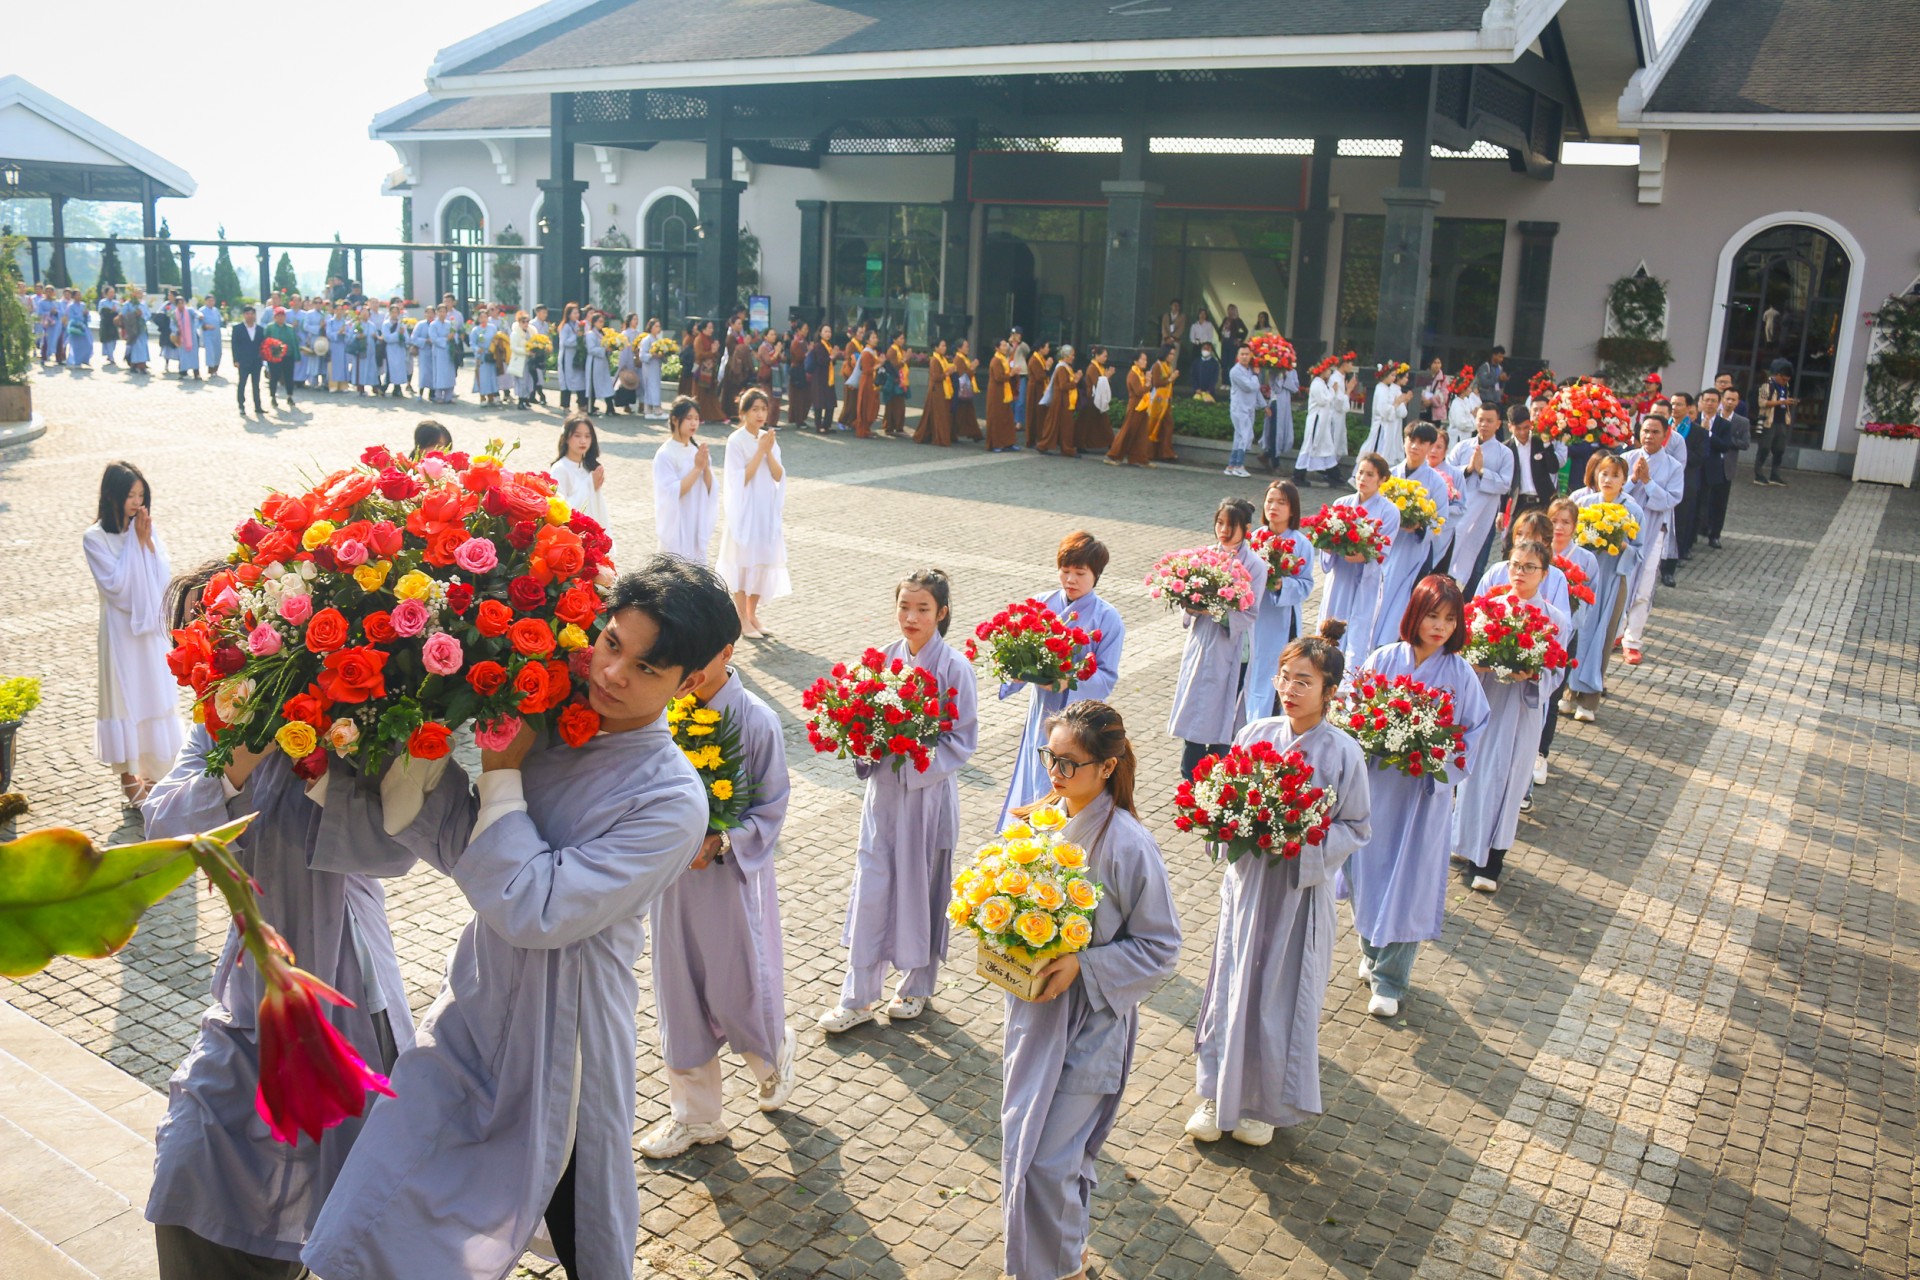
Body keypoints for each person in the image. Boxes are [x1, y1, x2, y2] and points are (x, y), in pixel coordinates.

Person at [304, 557, 736, 1280]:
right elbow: (468, 850)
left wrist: (502, 774)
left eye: (647, 668)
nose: (614, 674)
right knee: (376, 1195)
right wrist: (366, 760)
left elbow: (535, 908)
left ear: (689, 681)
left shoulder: (671, 802)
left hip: (562, 1039)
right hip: (476, 1004)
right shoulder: (553, 724)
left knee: (578, 1229)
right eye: (610, 643)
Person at [141, 564, 469, 1280]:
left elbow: (393, 853)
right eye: (205, 636)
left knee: (352, 1203)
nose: (223, 651)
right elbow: (160, 827)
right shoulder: (213, 738)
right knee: (191, 1166)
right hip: (250, 993)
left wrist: (321, 762)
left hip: (349, 985)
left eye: (230, 629)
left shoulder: (345, 729)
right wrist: (249, 746)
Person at [997, 702, 1180, 1280]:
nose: (1055, 772)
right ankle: (1047, 1263)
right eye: (1049, 758)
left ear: (1106, 767)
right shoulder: (1036, 821)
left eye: (1069, 763)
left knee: (1050, 1161)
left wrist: (1084, 965)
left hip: (1092, 1026)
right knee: (1025, 1148)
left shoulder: (1129, 843)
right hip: (1033, 1016)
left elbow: (1162, 947)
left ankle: (1058, 1269)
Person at [1188, 620, 1371, 1146]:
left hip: (1297, 895)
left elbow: (1357, 825)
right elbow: (1221, 799)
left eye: (1304, 682)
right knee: (1231, 985)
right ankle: (1216, 1093)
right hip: (1247, 889)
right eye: (1285, 678)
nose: (1290, 690)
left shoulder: (1342, 753)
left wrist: (1300, 844)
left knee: (1278, 995)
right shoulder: (1253, 734)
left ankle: (1264, 1104)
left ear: (1329, 691)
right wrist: (1228, 828)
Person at [640, 629, 798, 1159]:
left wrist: (724, 840)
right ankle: (696, 1116)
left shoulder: (756, 720)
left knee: (738, 985)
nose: (687, 675)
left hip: (731, 878)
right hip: (673, 876)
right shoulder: (669, 709)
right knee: (677, 990)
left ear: (727, 652)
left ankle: (772, 1056)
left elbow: (772, 806)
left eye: (699, 660)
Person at [818, 570, 979, 1033]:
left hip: (927, 799)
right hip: (883, 797)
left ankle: (916, 986)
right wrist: (865, 740)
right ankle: (858, 996)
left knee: (924, 887)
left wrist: (912, 757)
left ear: (942, 613)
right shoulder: (882, 661)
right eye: (904, 607)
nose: (911, 617)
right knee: (872, 886)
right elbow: (860, 725)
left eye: (922, 609)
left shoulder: (955, 668)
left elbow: (961, 740)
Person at [1340, 576, 1490, 1017]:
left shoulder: (1461, 674)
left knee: (1408, 882)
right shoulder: (1385, 659)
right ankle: (1371, 950)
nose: (1440, 626)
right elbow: (1352, 711)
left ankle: (1391, 979)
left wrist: (1438, 759)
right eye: (1432, 615)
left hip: (1424, 796)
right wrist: (1373, 738)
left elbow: (1473, 732)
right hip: (1377, 787)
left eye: (1449, 618)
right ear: (1414, 614)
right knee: (1366, 872)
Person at [1454, 542, 1568, 893]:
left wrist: (1533, 675)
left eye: (1529, 567)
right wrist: (1477, 664)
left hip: (1522, 710)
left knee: (1509, 781)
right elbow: (1465, 659)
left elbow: (1557, 671)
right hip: (1488, 702)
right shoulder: (1489, 609)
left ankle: (1490, 862)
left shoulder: (1555, 619)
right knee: (1477, 778)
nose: (1520, 572)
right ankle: (1466, 843)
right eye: (1515, 565)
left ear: (1544, 574)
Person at [995, 532, 1126, 828]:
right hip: (1041, 711)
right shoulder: (1042, 604)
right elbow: (1017, 652)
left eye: (1080, 573)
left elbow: (1106, 676)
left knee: (1062, 773)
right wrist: (1017, 671)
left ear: (1096, 575)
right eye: (1065, 571)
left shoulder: (1108, 618)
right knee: (1034, 769)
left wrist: (1068, 682)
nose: (1071, 579)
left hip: (1078, 720)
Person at [83, 462, 183, 806]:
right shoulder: (94, 538)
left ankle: (156, 775)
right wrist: (137, 545)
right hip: (120, 635)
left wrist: (146, 543)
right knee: (126, 700)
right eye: (130, 495)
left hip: (149, 634)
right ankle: (130, 775)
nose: (136, 502)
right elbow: (118, 588)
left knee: (154, 693)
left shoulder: (146, 529)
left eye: (141, 495)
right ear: (113, 495)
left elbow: (162, 577)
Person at [1170, 498, 1269, 780]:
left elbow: (1251, 613)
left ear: (1247, 528)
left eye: (1232, 525)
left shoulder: (1256, 566)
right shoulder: (1202, 558)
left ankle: (1217, 778)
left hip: (1233, 648)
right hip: (1202, 644)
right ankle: (1190, 776)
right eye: (1220, 523)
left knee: (1224, 714)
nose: (1224, 530)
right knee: (1196, 708)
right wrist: (1189, 606)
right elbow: (1186, 598)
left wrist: (1217, 612)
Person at [1563, 454, 1648, 723]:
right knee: (1576, 630)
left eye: (1614, 475)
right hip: (1583, 576)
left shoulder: (1632, 510)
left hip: (1612, 578)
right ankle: (1568, 692)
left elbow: (1639, 552)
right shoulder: (1583, 503)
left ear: (1624, 480)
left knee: (1602, 635)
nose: (1608, 480)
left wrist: (1617, 542)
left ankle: (1589, 701)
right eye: (1603, 474)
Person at [1316, 453, 1400, 674]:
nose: (1362, 478)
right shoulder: (1341, 503)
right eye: (1360, 472)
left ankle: (1350, 680)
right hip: (1340, 576)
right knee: (1330, 624)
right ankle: (1322, 671)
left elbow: (1383, 551)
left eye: (1370, 474)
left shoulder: (1389, 511)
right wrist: (1327, 547)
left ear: (1382, 479)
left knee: (1358, 632)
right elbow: (1328, 538)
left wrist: (1363, 555)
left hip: (1366, 580)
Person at [1369, 424, 1450, 654]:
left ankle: (1387, 647)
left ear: (1430, 446)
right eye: (1410, 440)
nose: (1414, 446)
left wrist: (1419, 525)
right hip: (1386, 550)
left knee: (1401, 603)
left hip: (1414, 554)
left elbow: (1441, 520)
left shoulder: (1435, 482)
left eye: (1422, 442)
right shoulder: (1390, 475)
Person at [717, 389, 790, 639]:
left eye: (763, 409)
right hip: (745, 509)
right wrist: (760, 450)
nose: (760, 414)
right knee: (743, 559)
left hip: (765, 508)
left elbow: (778, 475)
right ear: (744, 412)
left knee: (763, 558)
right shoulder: (736, 441)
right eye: (755, 409)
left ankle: (752, 613)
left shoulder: (768, 438)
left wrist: (768, 450)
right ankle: (740, 617)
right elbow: (740, 478)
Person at [1534, 498, 1598, 784]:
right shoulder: (1536, 556)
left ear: (1575, 527)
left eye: (1566, 522)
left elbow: (1590, 600)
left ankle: (1541, 752)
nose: (1559, 527)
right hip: (1533, 632)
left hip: (1564, 635)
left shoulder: (1586, 559)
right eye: (1555, 521)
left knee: (1552, 694)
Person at [1243, 481, 1315, 723]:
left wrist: (1281, 584)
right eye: (1270, 501)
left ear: (1292, 509)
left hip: (1281, 620)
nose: (1273, 507)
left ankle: (1270, 722)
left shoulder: (1300, 543)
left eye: (1281, 502)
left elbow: (1305, 584)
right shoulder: (1253, 538)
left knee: (1274, 672)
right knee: (1251, 671)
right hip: (1254, 617)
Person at [1617, 414, 1684, 661]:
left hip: (1654, 532)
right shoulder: (1626, 459)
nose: (1649, 436)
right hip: (1622, 531)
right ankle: (1615, 630)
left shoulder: (1673, 467)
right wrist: (1633, 478)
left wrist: (1647, 481)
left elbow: (1670, 499)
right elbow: (1611, 491)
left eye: (1655, 432)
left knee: (1643, 588)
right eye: (1645, 431)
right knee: (1618, 582)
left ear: (1665, 434)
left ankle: (1632, 640)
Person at [1446, 405, 1516, 587]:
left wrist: (1483, 471)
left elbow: (1505, 484)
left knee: (1476, 560)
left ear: (1498, 424)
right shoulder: (1462, 447)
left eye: (1489, 421)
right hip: (1457, 511)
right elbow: (1447, 476)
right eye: (1481, 420)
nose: (1484, 424)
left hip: (1484, 514)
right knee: (1448, 550)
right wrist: (1469, 469)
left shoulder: (1505, 453)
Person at [655, 397, 719, 564]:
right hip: (676, 524)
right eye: (689, 418)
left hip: (695, 521)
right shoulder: (665, 454)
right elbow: (671, 493)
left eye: (697, 419)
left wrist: (705, 469)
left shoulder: (696, 450)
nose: (693, 423)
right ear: (675, 420)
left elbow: (710, 489)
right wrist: (697, 468)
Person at [1296, 354, 1351, 486]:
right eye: (1327, 370)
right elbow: (1323, 400)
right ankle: (1298, 475)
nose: (1330, 372)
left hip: (1323, 422)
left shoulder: (1322, 384)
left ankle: (1333, 475)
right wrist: (1333, 391)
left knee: (1328, 448)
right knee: (1309, 447)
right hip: (1316, 422)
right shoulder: (1316, 384)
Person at [550, 413, 609, 533]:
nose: (583, 441)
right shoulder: (560, 469)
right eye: (577, 436)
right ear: (566, 438)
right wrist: (589, 485)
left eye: (587, 436)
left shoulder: (589, 467)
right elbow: (561, 509)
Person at [1702, 387, 1747, 548]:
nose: (1729, 402)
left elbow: (1740, 443)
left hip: (1724, 467)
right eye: (1727, 398)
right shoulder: (1699, 419)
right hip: (1702, 465)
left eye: (1733, 400)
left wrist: (1713, 435)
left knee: (1719, 503)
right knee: (1701, 500)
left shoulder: (1739, 422)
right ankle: (1701, 530)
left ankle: (1715, 534)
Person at [1506, 401, 1562, 523]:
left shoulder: (1540, 441)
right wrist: (1501, 511)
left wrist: (1547, 445)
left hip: (1544, 500)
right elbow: (1504, 482)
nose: (1522, 433)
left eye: (1526, 428)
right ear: (1509, 427)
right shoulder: (1506, 449)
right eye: (1518, 429)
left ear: (1531, 424)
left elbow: (1553, 468)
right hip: (1519, 503)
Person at [1753, 359, 1795, 486]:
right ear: (1776, 375)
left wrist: (1787, 402)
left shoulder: (1785, 387)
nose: (1785, 382)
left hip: (1781, 421)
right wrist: (1782, 402)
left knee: (1779, 449)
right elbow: (1762, 402)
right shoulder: (1767, 385)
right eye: (1783, 379)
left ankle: (1775, 474)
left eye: (1787, 380)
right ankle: (1758, 474)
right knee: (1764, 448)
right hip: (1768, 421)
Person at [1035, 344, 1082, 457]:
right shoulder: (1061, 368)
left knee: (1062, 424)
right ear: (1065, 356)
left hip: (1063, 400)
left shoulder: (1065, 367)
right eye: (1072, 355)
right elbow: (1063, 386)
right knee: (1060, 424)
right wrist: (1075, 381)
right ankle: (1060, 448)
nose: (1073, 357)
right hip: (1061, 401)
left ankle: (1061, 447)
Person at [1225, 344, 1263, 477]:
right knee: (1245, 435)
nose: (1245, 357)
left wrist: (1263, 405)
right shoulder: (1235, 371)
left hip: (1248, 408)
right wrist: (1256, 376)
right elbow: (1249, 387)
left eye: (1247, 354)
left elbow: (1256, 391)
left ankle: (1231, 465)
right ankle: (1238, 465)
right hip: (1239, 408)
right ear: (1238, 356)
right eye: (1242, 354)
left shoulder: (1249, 371)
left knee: (1240, 436)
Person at [1361, 362, 1412, 457]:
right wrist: (1397, 403)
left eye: (1395, 375)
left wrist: (1402, 402)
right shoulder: (1381, 389)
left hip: (1388, 425)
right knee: (1378, 450)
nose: (1394, 378)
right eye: (1392, 375)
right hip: (1382, 425)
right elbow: (1384, 411)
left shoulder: (1386, 389)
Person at [914, 337, 957, 446]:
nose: (944, 348)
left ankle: (933, 435)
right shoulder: (934, 360)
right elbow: (935, 377)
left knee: (939, 414)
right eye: (942, 346)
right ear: (936, 348)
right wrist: (948, 373)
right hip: (936, 390)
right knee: (939, 415)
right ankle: (940, 438)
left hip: (943, 389)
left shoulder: (943, 359)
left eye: (945, 346)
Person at [1262, 361, 1300, 473]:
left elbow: (1295, 388)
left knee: (1283, 434)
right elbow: (1277, 389)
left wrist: (1287, 375)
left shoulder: (1292, 371)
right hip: (1276, 404)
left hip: (1286, 405)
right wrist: (1281, 376)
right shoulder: (1274, 371)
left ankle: (1266, 455)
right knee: (1276, 434)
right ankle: (1275, 463)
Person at [1073, 346, 1112, 454]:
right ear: (1097, 356)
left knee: (1101, 423)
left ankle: (1111, 443)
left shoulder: (1099, 367)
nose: (1106, 358)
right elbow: (1097, 383)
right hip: (1091, 399)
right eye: (1104, 356)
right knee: (1085, 423)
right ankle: (1079, 443)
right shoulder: (1092, 368)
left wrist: (1107, 377)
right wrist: (1107, 377)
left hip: (1096, 400)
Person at [987, 339, 1022, 452]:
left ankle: (1008, 443)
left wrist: (1013, 372)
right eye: (1003, 345)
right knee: (997, 418)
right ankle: (995, 444)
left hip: (1005, 393)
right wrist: (1011, 374)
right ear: (997, 348)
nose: (1006, 347)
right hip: (997, 393)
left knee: (1007, 418)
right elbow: (998, 377)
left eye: (1006, 345)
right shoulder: (995, 360)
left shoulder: (1003, 360)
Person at [230, 305, 266, 414]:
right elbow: (234, 345)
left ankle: (258, 406)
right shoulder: (238, 329)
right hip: (243, 361)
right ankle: (241, 405)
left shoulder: (260, 329)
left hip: (256, 361)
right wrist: (236, 360)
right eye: (247, 314)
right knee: (242, 383)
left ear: (255, 315)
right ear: (244, 315)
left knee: (256, 385)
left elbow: (263, 345)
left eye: (252, 314)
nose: (250, 316)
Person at [263, 306, 298, 408]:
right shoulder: (270, 327)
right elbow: (265, 342)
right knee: (274, 376)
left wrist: (296, 355)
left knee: (289, 377)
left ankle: (289, 395)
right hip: (274, 357)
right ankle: (273, 396)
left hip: (288, 356)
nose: (281, 318)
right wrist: (267, 354)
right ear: (274, 317)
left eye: (282, 316)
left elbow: (294, 342)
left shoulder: (290, 328)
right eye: (278, 316)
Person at [953, 339, 987, 444]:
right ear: (959, 348)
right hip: (961, 390)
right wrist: (972, 368)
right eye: (966, 346)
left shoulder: (963, 359)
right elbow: (962, 376)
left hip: (965, 390)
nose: (968, 348)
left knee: (968, 412)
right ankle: (957, 433)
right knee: (961, 413)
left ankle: (975, 433)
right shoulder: (958, 359)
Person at [1024, 340, 1055, 450]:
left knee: (1039, 414)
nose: (1048, 349)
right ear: (1040, 348)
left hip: (1039, 389)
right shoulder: (1034, 360)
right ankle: (1031, 440)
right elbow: (1040, 377)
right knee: (1033, 413)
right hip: (1034, 389)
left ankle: (1038, 437)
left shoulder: (1040, 358)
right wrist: (1047, 368)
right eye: (1046, 347)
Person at [1444, 367, 1482, 448]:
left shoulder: (1465, 400)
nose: (1470, 389)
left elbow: (1473, 411)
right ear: (1463, 390)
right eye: (1468, 388)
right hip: (1457, 438)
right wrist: (1474, 419)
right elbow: (1462, 424)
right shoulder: (1457, 404)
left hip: (1465, 438)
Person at [1475, 345, 1508, 410]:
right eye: (1499, 356)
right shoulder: (1485, 367)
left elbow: (1500, 386)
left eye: (1502, 357)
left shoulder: (1500, 368)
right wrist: (1497, 378)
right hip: (1486, 399)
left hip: (1497, 400)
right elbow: (1483, 383)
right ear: (1493, 355)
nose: (1501, 359)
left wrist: (1503, 380)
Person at [1218, 303, 1249, 368]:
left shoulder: (1238, 320)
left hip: (1233, 343)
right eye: (1228, 310)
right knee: (1224, 362)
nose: (1230, 311)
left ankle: (1230, 377)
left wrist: (1240, 341)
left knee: (1231, 362)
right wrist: (1220, 338)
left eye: (1232, 310)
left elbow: (1245, 331)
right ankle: (1224, 377)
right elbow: (1220, 329)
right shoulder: (1226, 319)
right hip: (1225, 341)